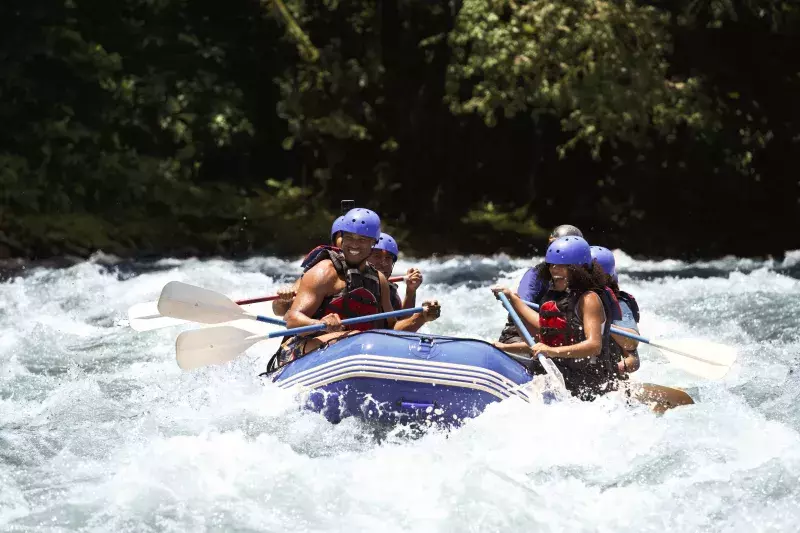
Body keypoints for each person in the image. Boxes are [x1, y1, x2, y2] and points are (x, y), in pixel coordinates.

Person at [268, 208, 440, 370]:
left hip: (358, 349)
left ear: (374, 242)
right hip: (302, 349)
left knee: (363, 340)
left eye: (362, 240)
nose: (354, 245)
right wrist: (320, 324)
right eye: (349, 237)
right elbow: (292, 319)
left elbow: (391, 332)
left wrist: (421, 317)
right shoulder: (324, 272)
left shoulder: (379, 281)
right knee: (356, 339)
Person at [491, 236, 618, 401]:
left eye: (562, 266)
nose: (554, 270)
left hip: (586, 382)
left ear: (579, 269)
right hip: (557, 373)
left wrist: (551, 351)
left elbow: (594, 346)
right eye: (551, 265)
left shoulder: (589, 299)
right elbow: (545, 333)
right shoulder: (554, 297)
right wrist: (513, 301)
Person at [495, 224, 583, 352]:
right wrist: (513, 300)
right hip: (522, 335)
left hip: (561, 338)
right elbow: (521, 310)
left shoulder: (586, 281)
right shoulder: (536, 275)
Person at [271, 216, 348, 317]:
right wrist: (283, 299)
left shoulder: (371, 269)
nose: (352, 242)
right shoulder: (320, 269)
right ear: (334, 240)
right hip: (321, 329)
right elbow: (279, 311)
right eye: (346, 236)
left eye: (360, 238)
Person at [590, 245, 641, 378]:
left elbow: (633, 357)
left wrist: (599, 325)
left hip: (605, 376)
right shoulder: (566, 296)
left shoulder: (618, 304)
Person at [368, 232, 433, 333]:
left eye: (388, 258)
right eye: (377, 256)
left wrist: (410, 291)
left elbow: (401, 324)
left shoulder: (390, 290)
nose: (383, 263)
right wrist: (419, 318)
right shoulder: (355, 283)